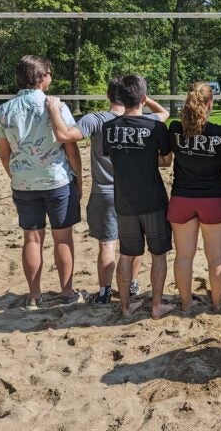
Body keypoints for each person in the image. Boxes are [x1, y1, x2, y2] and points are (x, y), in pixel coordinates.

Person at [46, 78, 170, 304]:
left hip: (104, 190)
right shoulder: (146, 120)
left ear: (108, 96)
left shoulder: (97, 120)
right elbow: (164, 113)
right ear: (136, 97)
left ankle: (104, 291)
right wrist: (143, 97)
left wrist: (54, 110)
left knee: (107, 244)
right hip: (137, 191)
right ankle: (131, 284)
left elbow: (64, 136)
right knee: (133, 247)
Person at [0, 55, 83, 310]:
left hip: (23, 181)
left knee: (32, 239)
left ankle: (34, 296)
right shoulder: (56, 106)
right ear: (42, 77)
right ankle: (67, 291)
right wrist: (78, 178)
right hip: (57, 179)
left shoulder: (4, 110)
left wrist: (16, 176)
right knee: (63, 238)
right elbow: (71, 149)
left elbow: (4, 153)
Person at [101, 75, 176, 319]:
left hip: (124, 200)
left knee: (127, 254)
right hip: (152, 199)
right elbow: (166, 161)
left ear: (120, 99)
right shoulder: (155, 127)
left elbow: (113, 158)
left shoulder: (109, 128)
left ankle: (125, 306)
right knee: (158, 254)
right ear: (144, 98)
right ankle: (156, 306)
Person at [167, 82, 221, 312]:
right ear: (210, 104)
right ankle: (217, 303)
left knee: (183, 256)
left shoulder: (175, 129)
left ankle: (186, 303)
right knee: (216, 257)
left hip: (182, 198)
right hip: (213, 198)